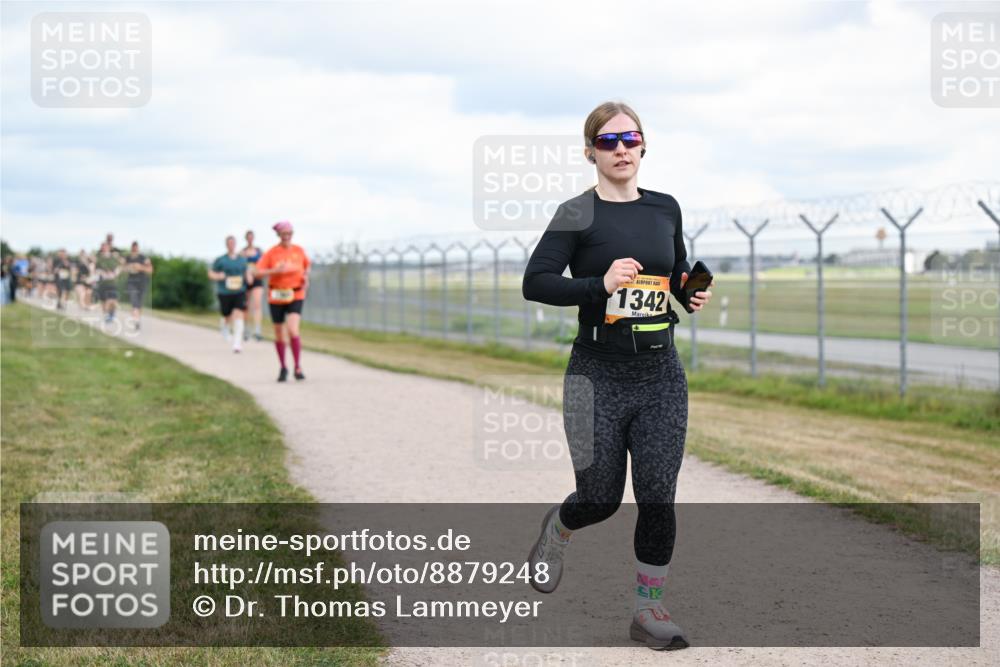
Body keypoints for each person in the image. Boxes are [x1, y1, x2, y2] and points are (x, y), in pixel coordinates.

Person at [521, 101, 714, 651]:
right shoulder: (575, 213)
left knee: (657, 495)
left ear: (644, 146)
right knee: (600, 497)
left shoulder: (665, 208)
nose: (621, 149)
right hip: (595, 373)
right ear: (591, 153)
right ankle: (557, 530)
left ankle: (648, 611)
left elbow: (672, 272)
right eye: (609, 142)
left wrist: (688, 289)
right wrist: (599, 285)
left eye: (630, 139)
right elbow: (536, 282)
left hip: (660, 373)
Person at [254, 221, 310, 382]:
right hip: (276, 295)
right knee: (279, 333)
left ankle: (298, 366)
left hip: (296, 294)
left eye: (290, 233)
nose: (287, 237)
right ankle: (283, 367)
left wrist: (306, 277)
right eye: (284, 234)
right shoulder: (271, 253)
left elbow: (307, 267)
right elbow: (257, 272)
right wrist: (275, 271)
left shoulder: (299, 251)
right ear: (278, 235)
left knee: (293, 329)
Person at [207, 235, 251, 353]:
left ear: (235, 244)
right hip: (224, 292)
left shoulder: (242, 260)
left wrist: (249, 278)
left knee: (238, 313)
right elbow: (211, 274)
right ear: (227, 245)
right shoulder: (221, 260)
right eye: (229, 243)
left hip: (239, 291)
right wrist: (218, 276)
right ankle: (225, 327)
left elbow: (246, 272)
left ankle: (237, 343)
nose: (231, 245)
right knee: (227, 315)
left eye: (233, 243)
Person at [242, 230, 265, 341]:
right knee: (246, 305)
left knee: (257, 304)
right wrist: (247, 273)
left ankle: (257, 330)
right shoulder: (242, 252)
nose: (250, 239)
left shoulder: (259, 251)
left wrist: (257, 273)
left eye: (252, 237)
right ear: (246, 238)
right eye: (248, 237)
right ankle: (246, 329)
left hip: (257, 279)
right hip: (246, 280)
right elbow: (241, 265)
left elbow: (264, 264)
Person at [124, 242, 153, 330]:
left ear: (138, 248)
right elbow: (123, 268)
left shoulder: (143, 258)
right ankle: (136, 320)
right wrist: (129, 267)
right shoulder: (128, 258)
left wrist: (140, 267)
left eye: (136, 248)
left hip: (142, 282)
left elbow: (150, 270)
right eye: (133, 249)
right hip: (131, 282)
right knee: (134, 301)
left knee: (139, 304)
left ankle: (137, 319)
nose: (134, 250)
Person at [94, 242, 121, 323]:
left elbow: (119, 267)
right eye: (102, 248)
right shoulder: (99, 259)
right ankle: (107, 315)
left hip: (112, 283)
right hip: (102, 283)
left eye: (105, 247)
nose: (104, 249)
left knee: (113, 300)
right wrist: (102, 273)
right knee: (104, 301)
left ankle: (111, 313)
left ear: (109, 248)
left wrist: (114, 274)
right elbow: (96, 269)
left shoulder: (114, 258)